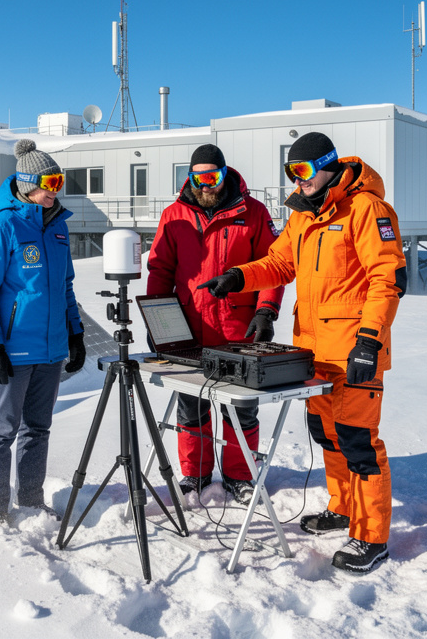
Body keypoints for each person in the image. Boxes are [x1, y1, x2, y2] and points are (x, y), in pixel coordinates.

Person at [197, 132, 406, 573]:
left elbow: (388, 278)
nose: (298, 179)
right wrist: (238, 277)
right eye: (292, 172)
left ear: (329, 166)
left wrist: (370, 340)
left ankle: (372, 537)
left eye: (305, 171)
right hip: (314, 353)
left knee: (358, 443)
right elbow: (278, 263)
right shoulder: (304, 216)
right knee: (326, 436)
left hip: (355, 353)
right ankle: (343, 508)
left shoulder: (366, 209)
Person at [146, 144, 284, 505]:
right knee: (192, 405)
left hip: (239, 328)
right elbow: (160, 269)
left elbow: (274, 267)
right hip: (189, 328)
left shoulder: (252, 213)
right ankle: (196, 473)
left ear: (225, 174)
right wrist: (156, 319)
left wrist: (266, 311)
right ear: (189, 178)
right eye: (198, 178)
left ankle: (240, 475)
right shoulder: (174, 215)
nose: (206, 185)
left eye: (213, 177)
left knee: (240, 407)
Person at [0, 138, 86, 527]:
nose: (54, 192)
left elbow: (64, 287)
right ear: (26, 183)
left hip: (50, 352)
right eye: (48, 184)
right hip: (14, 352)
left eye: (58, 183)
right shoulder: (2, 228)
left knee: (39, 429)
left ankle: (32, 501)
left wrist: (75, 334)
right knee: (2, 430)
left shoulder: (57, 230)